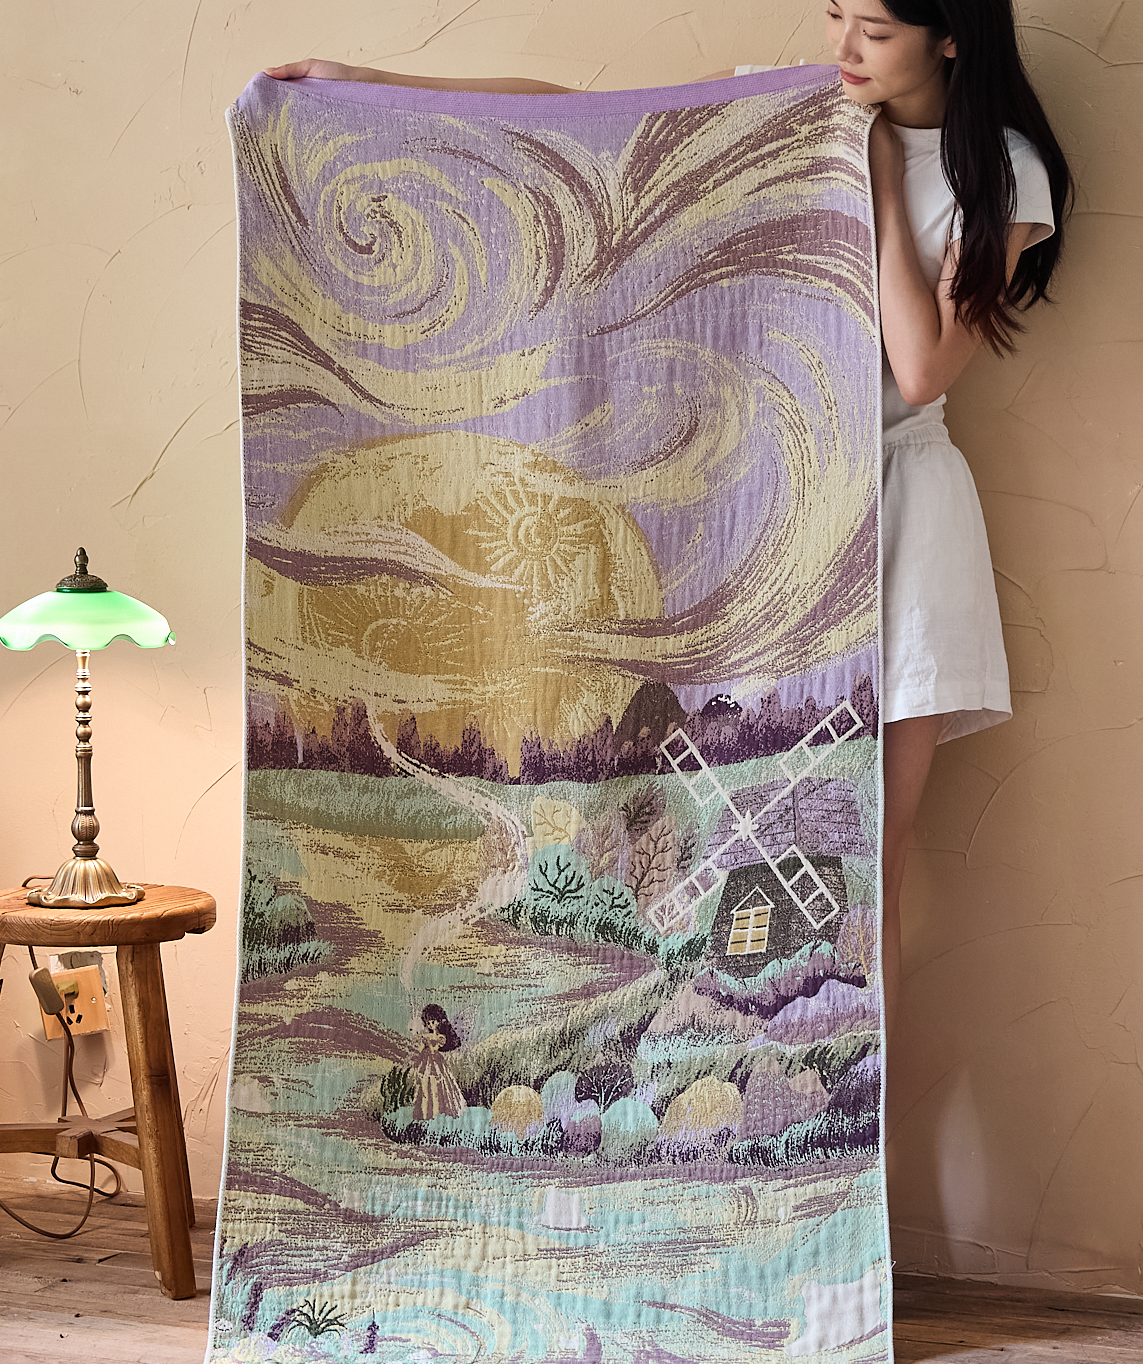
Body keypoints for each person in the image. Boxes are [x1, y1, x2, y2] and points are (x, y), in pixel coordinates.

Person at [266, 0, 1069, 1017]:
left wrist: (866, 165)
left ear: (949, 35)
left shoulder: (997, 170)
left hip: (905, 510)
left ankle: (871, 1118)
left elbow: (920, 367)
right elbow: (596, 119)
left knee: (869, 856)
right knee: (757, 836)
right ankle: (757, 1068)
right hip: (787, 528)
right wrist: (373, 86)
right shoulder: (790, 106)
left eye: (872, 28)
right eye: (834, 15)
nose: (842, 47)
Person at [411, 1004, 466, 1121]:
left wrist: (431, 1043)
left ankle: (437, 1113)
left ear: (439, 1021)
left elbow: (437, 1047)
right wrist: (418, 1059)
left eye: (433, 1022)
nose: (431, 1025)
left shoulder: (440, 1037)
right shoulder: (426, 1036)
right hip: (426, 1062)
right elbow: (421, 1050)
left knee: (438, 1087)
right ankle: (425, 1114)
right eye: (428, 1023)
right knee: (425, 1088)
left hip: (435, 1062)